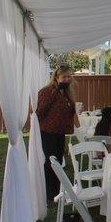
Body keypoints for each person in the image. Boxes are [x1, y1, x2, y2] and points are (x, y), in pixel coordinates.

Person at [37, 65, 76, 201]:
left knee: (58, 161)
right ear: (56, 77)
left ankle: (57, 190)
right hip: (48, 131)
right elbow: (39, 112)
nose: (67, 79)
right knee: (51, 161)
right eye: (64, 77)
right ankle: (49, 193)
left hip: (60, 132)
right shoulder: (48, 91)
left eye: (69, 76)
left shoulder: (66, 92)